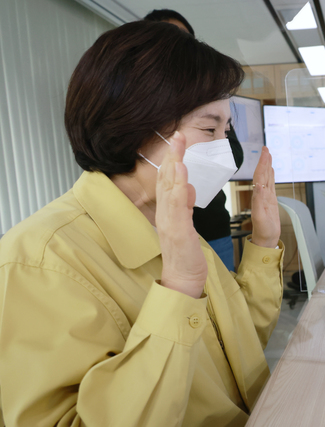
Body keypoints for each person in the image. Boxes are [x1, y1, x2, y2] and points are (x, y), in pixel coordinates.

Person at [0, 21, 284, 426]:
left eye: (227, 130)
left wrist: (266, 243)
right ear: (136, 128)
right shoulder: (39, 259)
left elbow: (240, 353)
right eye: (209, 129)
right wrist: (179, 290)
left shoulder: (171, 224)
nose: (225, 149)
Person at [144, 9, 243, 272]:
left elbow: (232, 153)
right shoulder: (144, 104)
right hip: (155, 230)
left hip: (210, 224)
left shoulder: (210, 96)